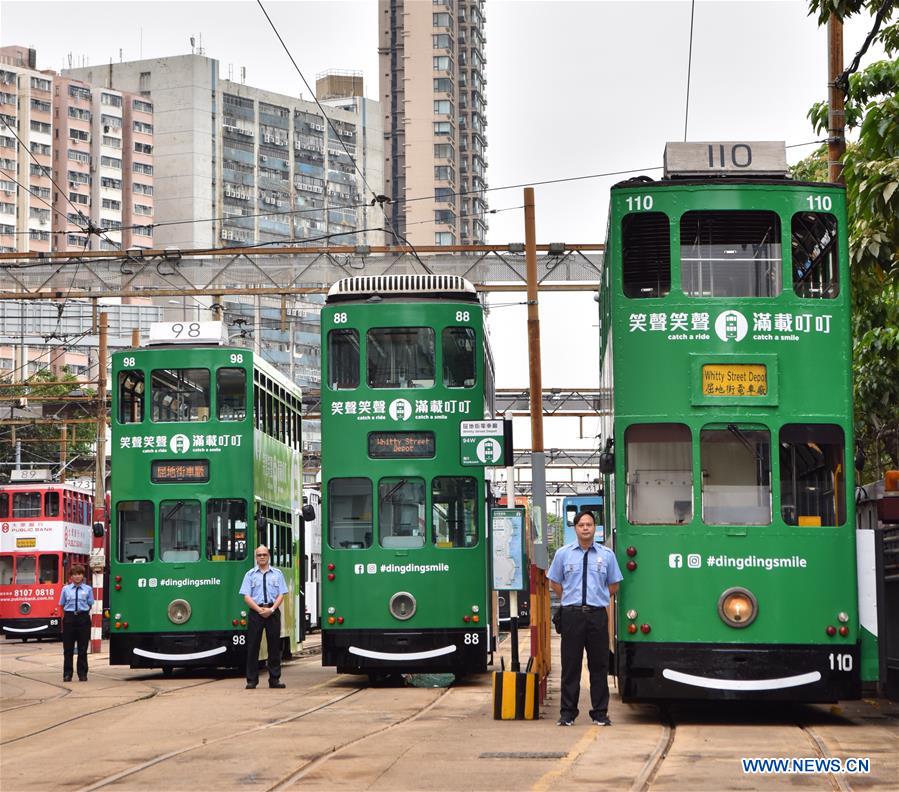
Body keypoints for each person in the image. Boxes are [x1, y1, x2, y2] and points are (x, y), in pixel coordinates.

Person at [547, 509, 623, 726]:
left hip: (597, 616)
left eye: (589, 524)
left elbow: (614, 584)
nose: (586, 528)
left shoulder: (607, 555)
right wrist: (571, 599)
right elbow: (555, 582)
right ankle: (567, 714)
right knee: (570, 666)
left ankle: (600, 713)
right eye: (581, 525)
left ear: (595, 528)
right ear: (575, 528)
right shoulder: (563, 553)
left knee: (598, 666)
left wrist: (596, 597)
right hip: (572, 616)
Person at [239, 545, 288, 689]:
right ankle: (251, 680)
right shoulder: (250, 575)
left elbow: (281, 594)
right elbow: (246, 597)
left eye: (264, 554)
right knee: (253, 646)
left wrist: (272, 609)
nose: (262, 557)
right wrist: (259, 610)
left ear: (269, 556)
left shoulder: (277, 574)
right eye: (259, 555)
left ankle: (274, 679)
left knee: (274, 646)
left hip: (272, 612)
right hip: (256, 612)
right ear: (256, 557)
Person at [58, 563, 94, 682]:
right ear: (71, 577)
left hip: (83, 619)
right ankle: (67, 674)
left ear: (82, 576)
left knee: (82, 649)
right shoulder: (65, 589)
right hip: (69, 619)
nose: (77, 577)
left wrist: (82, 613)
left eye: (79, 574)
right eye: (75, 574)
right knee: (68, 649)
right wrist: (67, 617)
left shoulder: (88, 589)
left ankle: (82, 674)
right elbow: (62, 604)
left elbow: (90, 604)